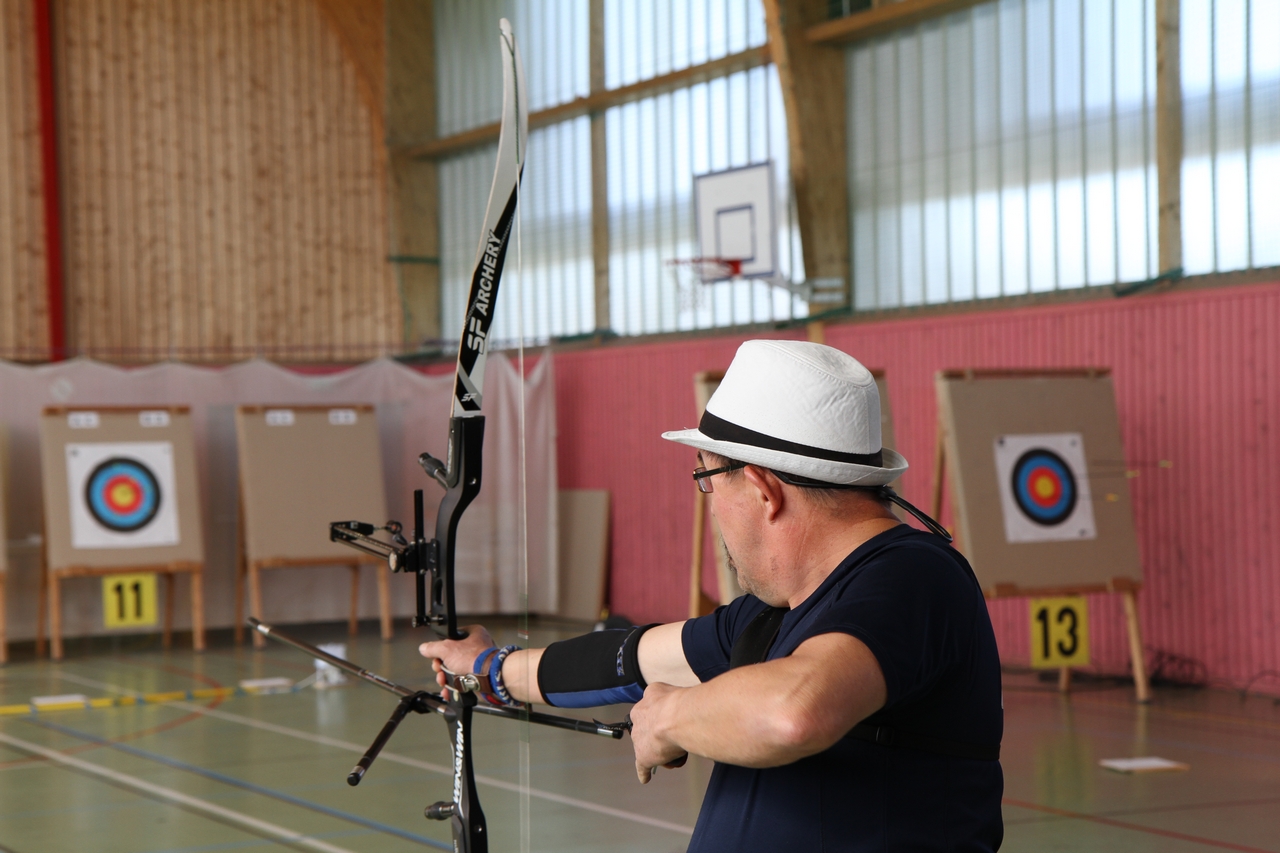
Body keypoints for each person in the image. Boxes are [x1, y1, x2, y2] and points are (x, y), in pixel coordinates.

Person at [421, 339, 1004, 852]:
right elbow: (629, 660)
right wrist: (489, 670)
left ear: (761, 488)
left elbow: (793, 713)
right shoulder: (778, 610)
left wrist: (668, 716)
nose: (709, 502)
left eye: (707, 478)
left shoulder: (915, 576)